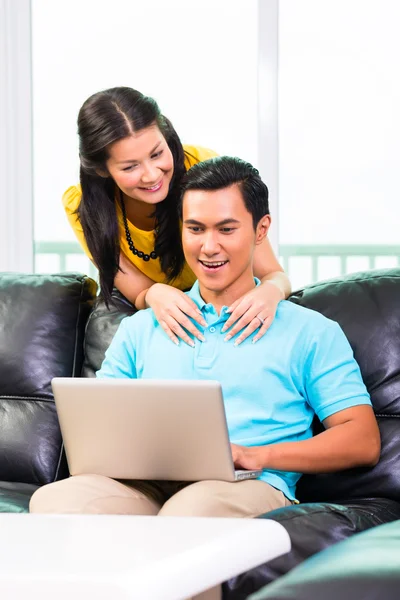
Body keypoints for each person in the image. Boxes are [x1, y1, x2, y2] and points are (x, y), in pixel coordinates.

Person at [30, 156, 380, 517]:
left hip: (248, 484)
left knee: (190, 514)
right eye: (195, 229)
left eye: (226, 229)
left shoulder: (310, 331)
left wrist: (255, 456)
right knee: (55, 501)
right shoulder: (140, 328)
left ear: (261, 231)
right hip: (142, 485)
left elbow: (362, 439)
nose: (208, 247)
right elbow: (98, 429)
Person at [63, 86, 291, 347]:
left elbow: (273, 274)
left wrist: (270, 292)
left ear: (166, 136)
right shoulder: (84, 208)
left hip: (224, 305)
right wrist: (154, 294)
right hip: (160, 311)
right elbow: (137, 291)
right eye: (130, 166)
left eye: (157, 154)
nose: (151, 175)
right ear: (103, 170)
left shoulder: (203, 170)